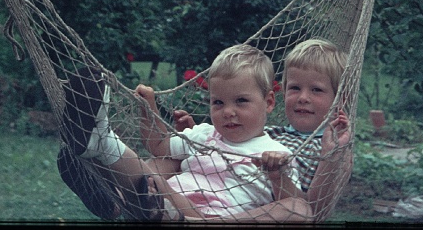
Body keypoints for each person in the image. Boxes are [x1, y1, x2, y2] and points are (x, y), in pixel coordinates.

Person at [59, 44, 304, 222]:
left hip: (206, 217)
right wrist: (148, 109)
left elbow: (292, 206)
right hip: (162, 203)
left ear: (269, 102)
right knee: (156, 175)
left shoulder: (277, 153)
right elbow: (160, 146)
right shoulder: (205, 134)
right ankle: (107, 186)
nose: (228, 112)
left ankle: (102, 145)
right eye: (218, 103)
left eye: (241, 101)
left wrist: (277, 174)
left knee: (153, 182)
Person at [172, 38, 353, 221]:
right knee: (171, 157)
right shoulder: (272, 133)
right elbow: (227, 149)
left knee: (297, 208)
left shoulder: (333, 149)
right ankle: (147, 185)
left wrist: (331, 156)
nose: (303, 97)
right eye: (295, 88)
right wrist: (196, 134)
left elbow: (315, 212)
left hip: (258, 215)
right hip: (218, 196)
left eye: (316, 90)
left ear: (340, 99)